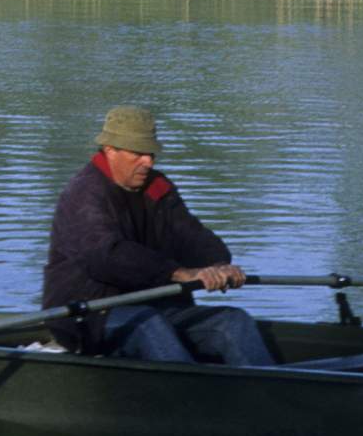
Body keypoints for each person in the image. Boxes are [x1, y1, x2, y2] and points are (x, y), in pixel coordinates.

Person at [39, 106, 276, 366]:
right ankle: (186, 397)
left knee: (234, 321)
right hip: (89, 315)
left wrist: (218, 265)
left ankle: (271, 392)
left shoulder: (157, 187)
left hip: (155, 305)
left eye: (150, 153)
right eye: (137, 153)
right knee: (149, 325)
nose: (148, 162)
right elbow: (106, 256)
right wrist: (180, 274)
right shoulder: (83, 194)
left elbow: (192, 236)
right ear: (110, 150)